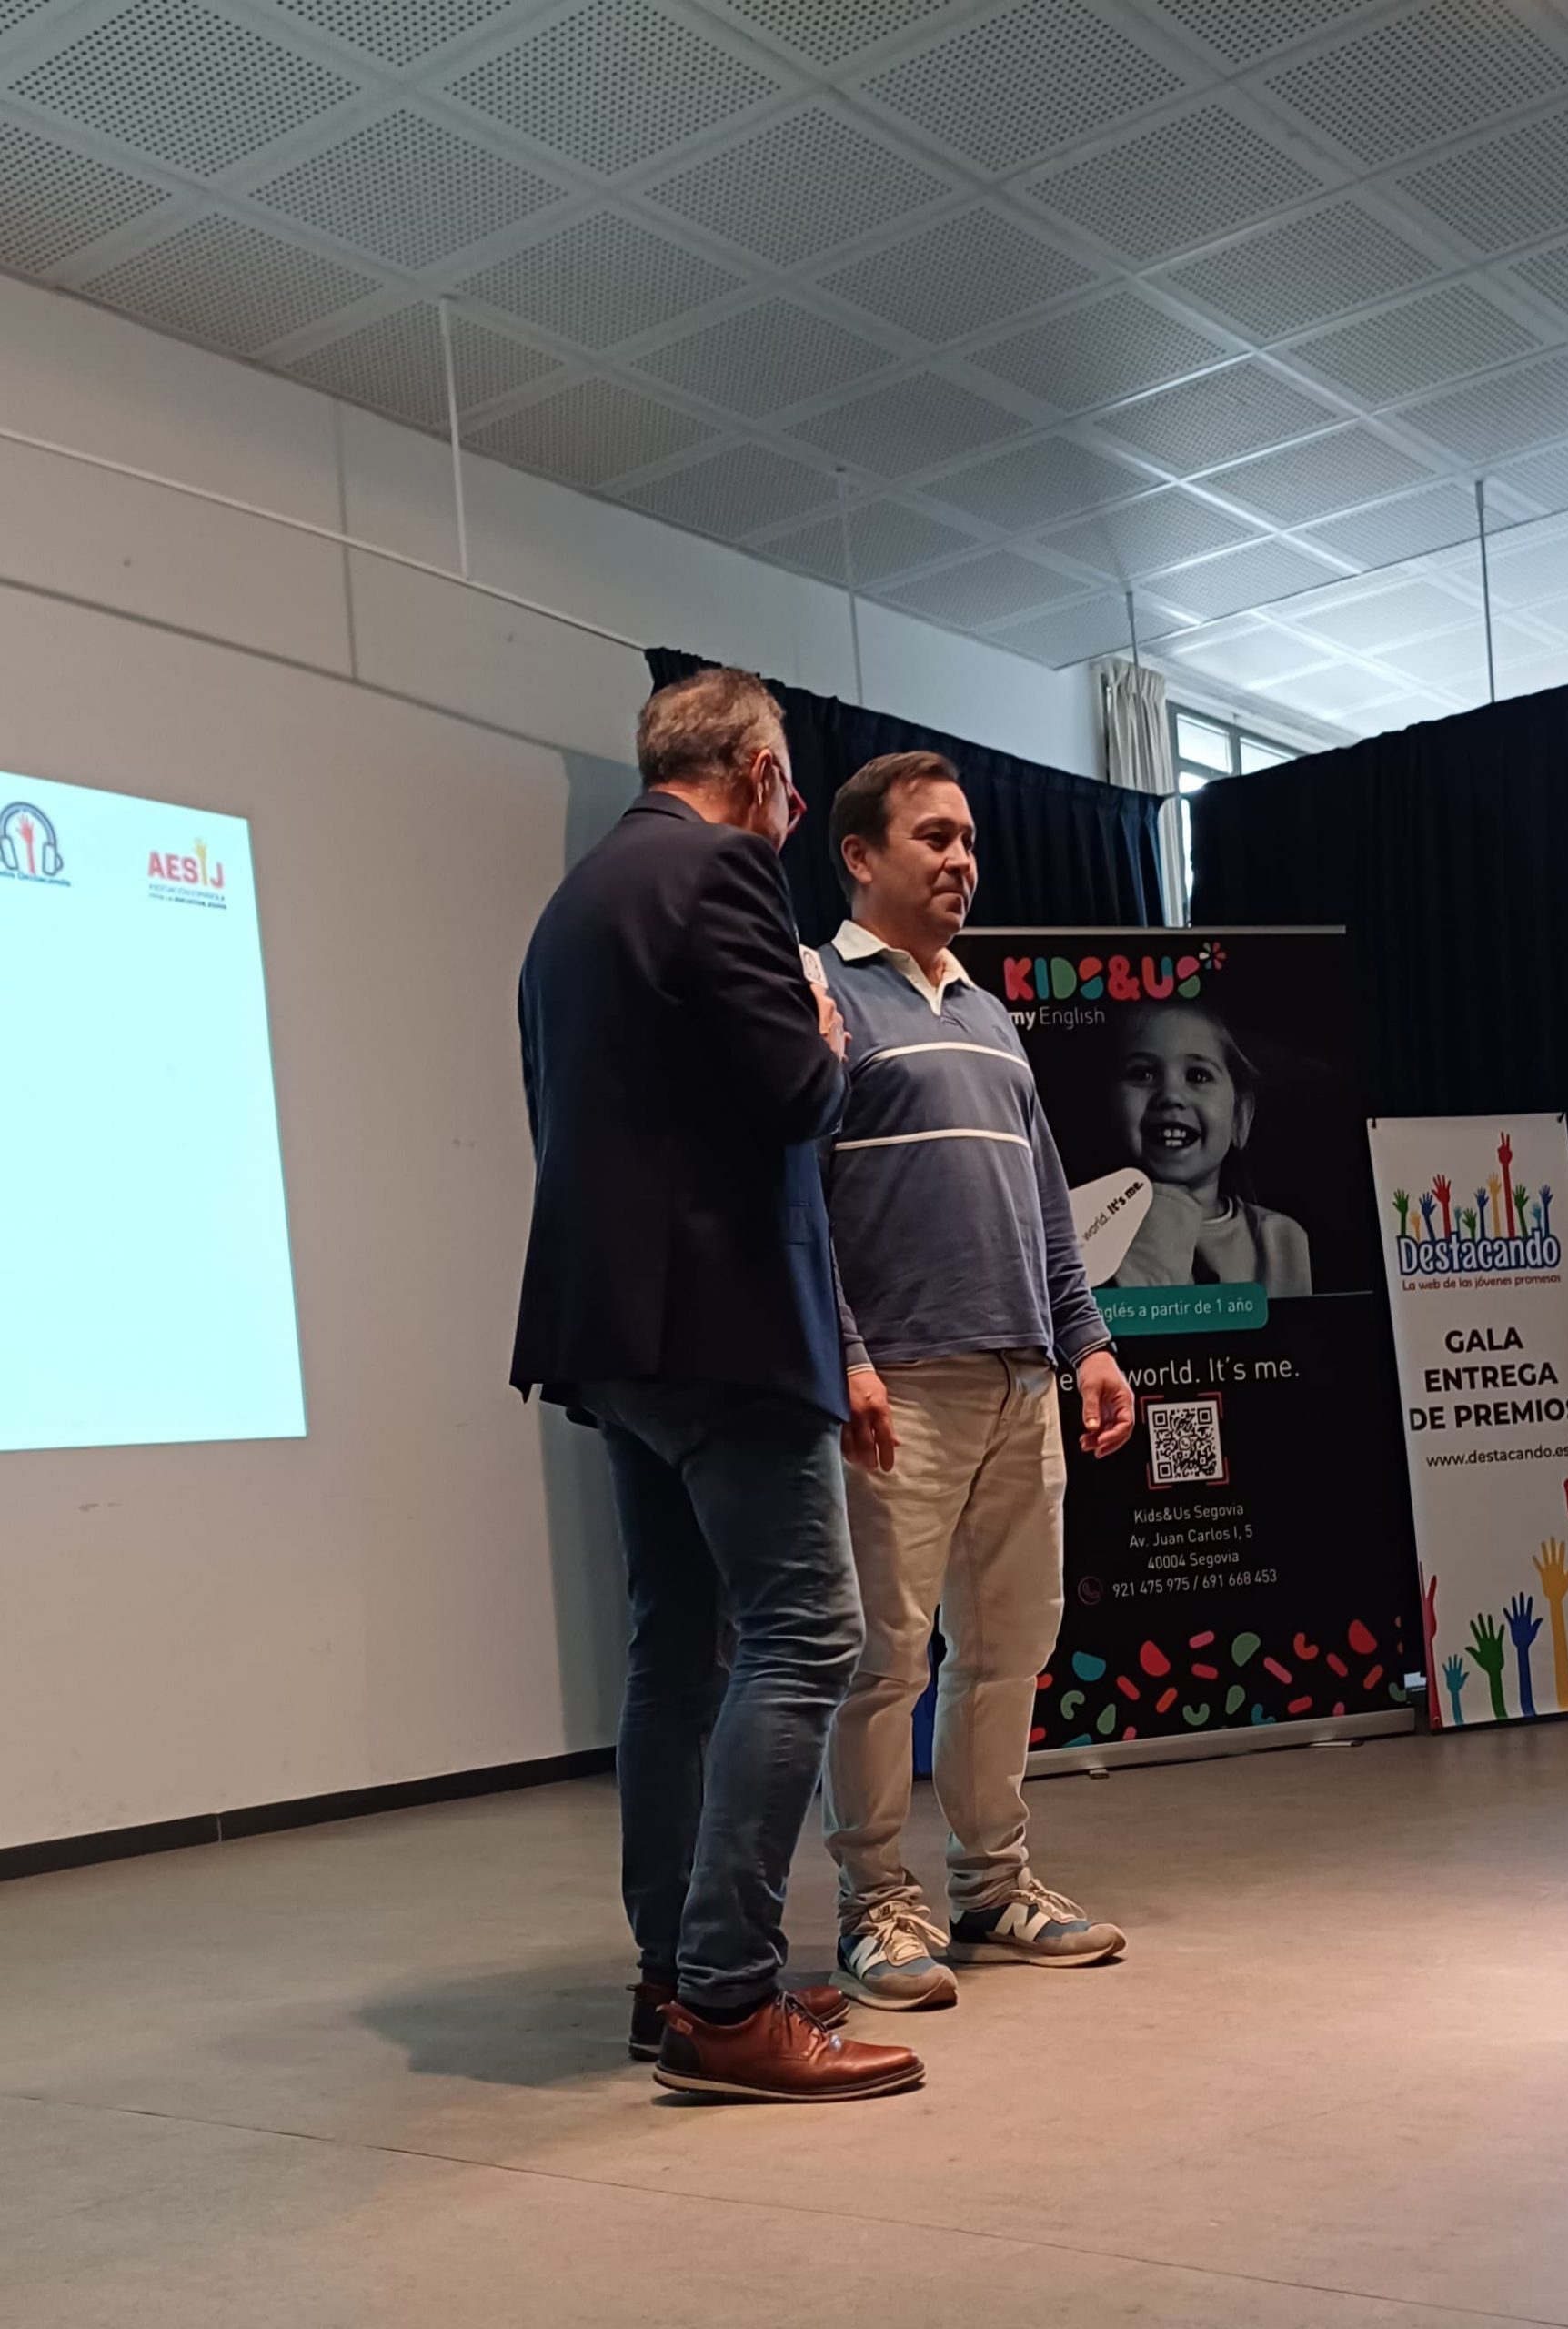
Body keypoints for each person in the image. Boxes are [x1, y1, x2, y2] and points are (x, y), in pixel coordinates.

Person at [511, 669, 923, 2102]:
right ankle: (730, 2006)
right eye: (789, 790)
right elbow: (794, 1093)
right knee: (806, 1633)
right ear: (756, 774)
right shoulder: (722, 872)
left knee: (675, 1654)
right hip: (724, 1323)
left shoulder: (571, 906)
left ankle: (672, 1974)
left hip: (613, 1334)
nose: (788, 815)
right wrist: (826, 1032)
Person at [818, 751, 1136, 2012]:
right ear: (859, 855)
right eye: (932, 837)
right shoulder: (818, 996)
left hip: (1020, 1381)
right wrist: (844, 1353)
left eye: (966, 840)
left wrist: (1086, 1342)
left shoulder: (991, 1014)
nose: (960, 860)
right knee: (885, 1660)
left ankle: (992, 1888)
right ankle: (872, 1906)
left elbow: (1046, 1206)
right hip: (898, 1387)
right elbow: (798, 1205)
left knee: (1007, 1649)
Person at [1105, 1000, 1312, 1298]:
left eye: (1198, 1076)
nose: (1171, 1096)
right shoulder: (1087, 1237)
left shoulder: (1280, 1240)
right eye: (1143, 1074)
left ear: (1240, 1116)